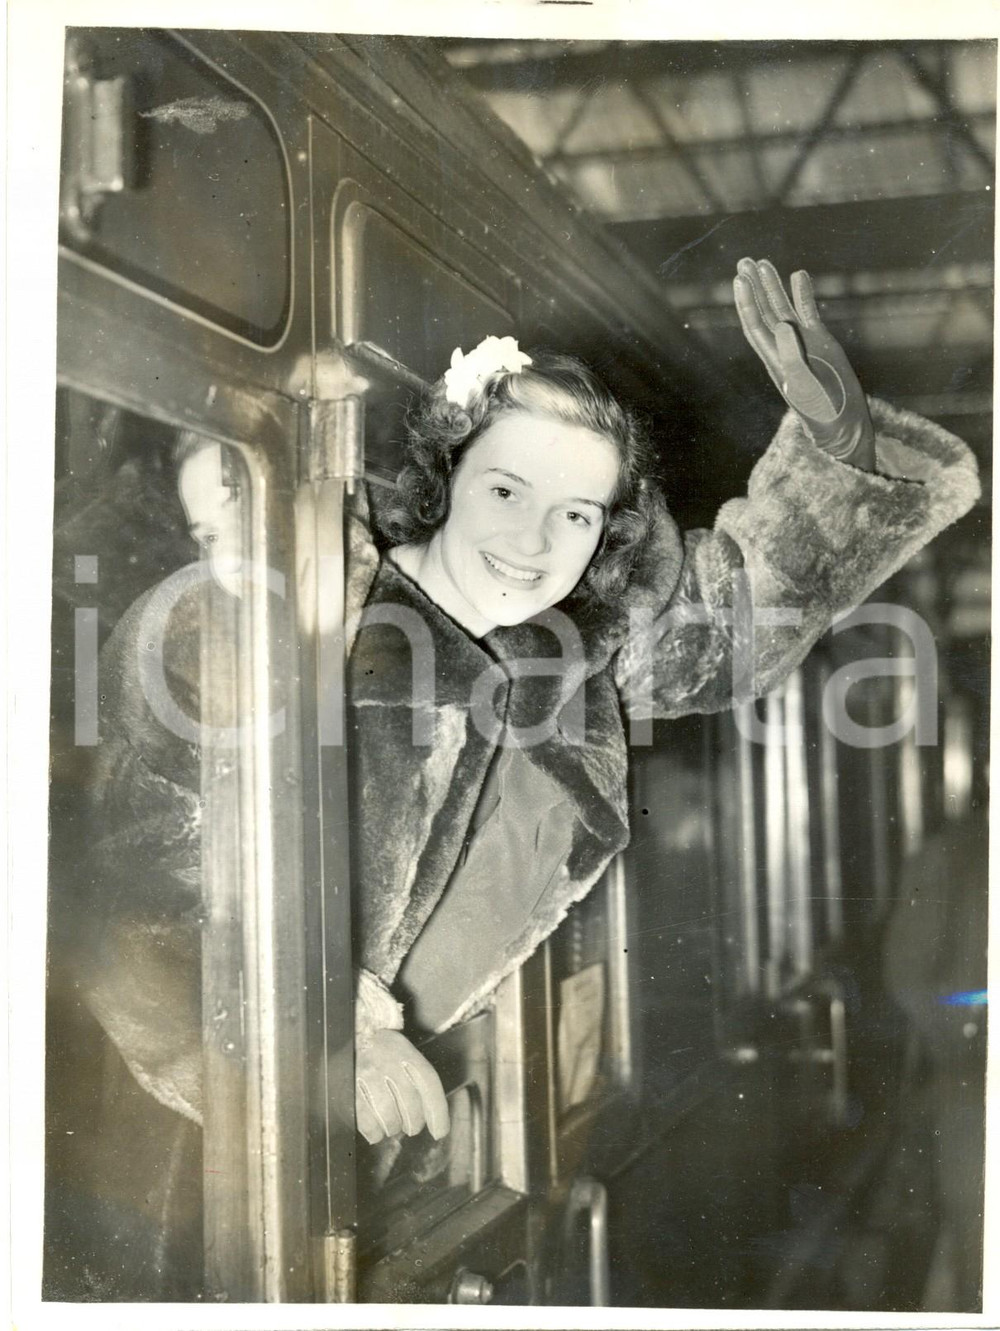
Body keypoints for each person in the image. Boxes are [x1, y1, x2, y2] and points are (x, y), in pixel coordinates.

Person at [62, 259, 978, 1294]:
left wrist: (839, 446)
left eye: (578, 513)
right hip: (180, 1162)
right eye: (506, 488)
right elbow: (136, 902)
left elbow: (732, 626)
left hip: (367, 1150)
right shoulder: (250, 614)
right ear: (443, 475)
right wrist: (329, 1032)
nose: (536, 540)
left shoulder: (559, 657)